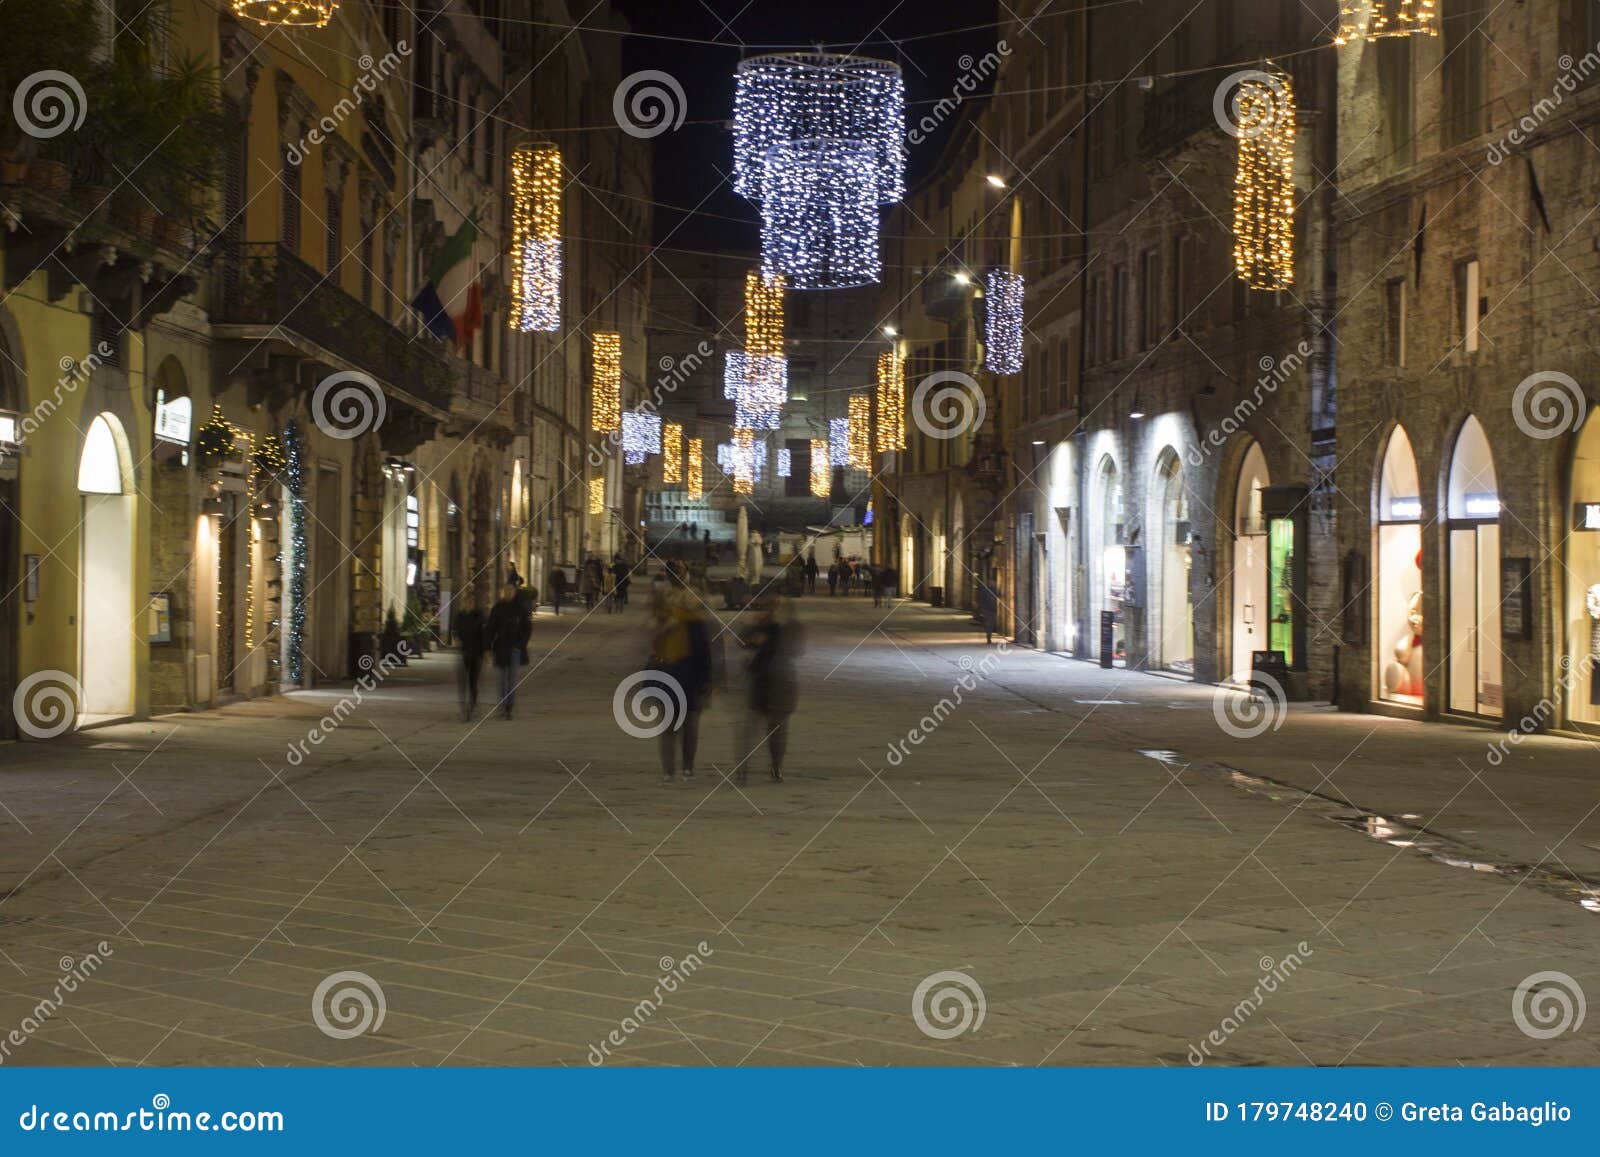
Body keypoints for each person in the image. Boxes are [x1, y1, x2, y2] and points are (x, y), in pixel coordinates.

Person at [648, 592, 712, 783]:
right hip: (668, 678)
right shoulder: (663, 620)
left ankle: (687, 768)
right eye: (679, 598)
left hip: (691, 680)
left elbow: (705, 654)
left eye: (687, 599)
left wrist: (707, 680)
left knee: (689, 727)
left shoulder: (697, 624)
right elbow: (654, 648)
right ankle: (668, 770)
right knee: (668, 727)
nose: (683, 602)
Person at [739, 597, 803, 784]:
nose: (774, 610)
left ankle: (776, 766)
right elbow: (742, 641)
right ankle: (744, 768)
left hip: (781, 685)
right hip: (761, 683)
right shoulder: (763, 625)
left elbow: (796, 650)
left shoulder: (791, 628)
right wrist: (757, 628)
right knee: (752, 729)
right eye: (772, 607)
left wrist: (766, 641)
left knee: (777, 731)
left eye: (778, 607)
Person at [485, 583, 531, 719]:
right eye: (506, 590)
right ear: (503, 592)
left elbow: (527, 629)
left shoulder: (520, 609)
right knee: (501, 679)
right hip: (500, 649)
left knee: (511, 680)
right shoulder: (497, 608)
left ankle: (509, 707)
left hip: (514, 649)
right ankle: (502, 706)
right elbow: (490, 629)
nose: (508, 593)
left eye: (511, 590)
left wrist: (521, 645)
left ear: (515, 592)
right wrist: (487, 647)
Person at [453, 593, 487, 721]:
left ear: (473, 604)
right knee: (463, 683)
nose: (468, 605)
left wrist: (485, 651)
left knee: (473, 682)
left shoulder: (479, 616)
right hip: (464, 653)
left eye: (470, 603)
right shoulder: (460, 616)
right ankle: (464, 709)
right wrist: (457, 639)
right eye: (466, 603)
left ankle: (472, 706)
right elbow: (455, 630)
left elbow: (484, 634)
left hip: (476, 654)